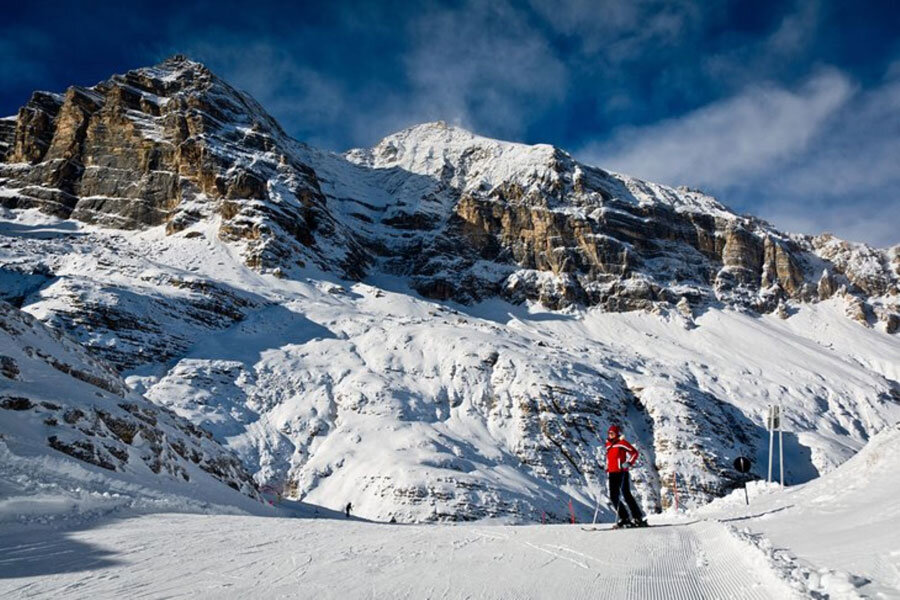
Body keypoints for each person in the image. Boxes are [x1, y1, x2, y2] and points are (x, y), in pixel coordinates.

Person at [605, 425, 648, 528]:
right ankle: (624, 518)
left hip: (622, 471)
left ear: (617, 433)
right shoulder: (607, 444)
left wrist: (629, 463)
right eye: (609, 433)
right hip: (612, 472)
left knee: (626, 494)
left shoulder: (622, 443)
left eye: (613, 433)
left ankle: (637, 517)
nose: (611, 435)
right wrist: (608, 466)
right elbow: (611, 458)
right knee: (613, 497)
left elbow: (634, 453)